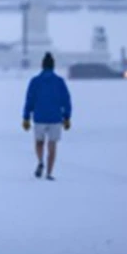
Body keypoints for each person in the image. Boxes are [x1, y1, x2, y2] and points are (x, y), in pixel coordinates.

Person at [22, 52, 72, 181]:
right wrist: (67, 117)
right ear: (53, 66)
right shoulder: (59, 82)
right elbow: (66, 100)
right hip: (55, 117)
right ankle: (49, 173)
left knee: (39, 142)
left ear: (42, 66)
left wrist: (26, 117)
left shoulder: (35, 81)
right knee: (52, 145)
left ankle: (40, 161)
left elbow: (29, 100)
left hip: (39, 117)